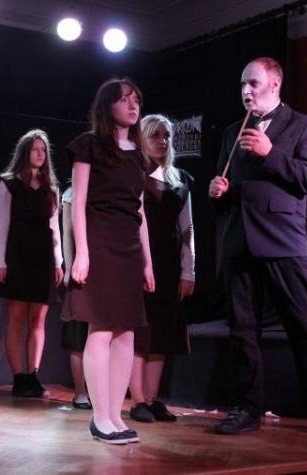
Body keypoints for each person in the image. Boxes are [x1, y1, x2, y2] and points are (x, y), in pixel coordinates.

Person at [208, 57, 307, 434]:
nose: (246, 91)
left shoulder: (303, 126)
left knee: (304, 328)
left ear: (275, 84)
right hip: (239, 243)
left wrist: (271, 153)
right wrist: (218, 192)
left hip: (283, 242)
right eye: (242, 85)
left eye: (253, 83)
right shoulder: (233, 131)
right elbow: (226, 190)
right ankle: (246, 407)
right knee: (242, 332)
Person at [62, 78, 155, 445]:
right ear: (107, 106)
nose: (133, 106)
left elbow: (140, 211)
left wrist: (147, 262)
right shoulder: (88, 145)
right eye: (125, 100)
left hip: (129, 247)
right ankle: (100, 417)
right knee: (100, 329)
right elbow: (78, 204)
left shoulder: (139, 154)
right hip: (99, 242)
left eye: (137, 100)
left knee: (126, 332)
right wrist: (82, 252)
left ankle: (116, 415)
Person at [129, 114, 195, 423]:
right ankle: (137, 400)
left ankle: (152, 399)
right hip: (141, 261)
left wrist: (188, 270)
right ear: (142, 139)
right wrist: (141, 265)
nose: (163, 141)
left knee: (163, 333)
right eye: (155, 135)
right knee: (141, 333)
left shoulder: (180, 178)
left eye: (166, 135)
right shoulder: (135, 175)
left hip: (170, 264)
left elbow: (188, 228)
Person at [0, 129, 63, 398]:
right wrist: (0, 261)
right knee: (16, 317)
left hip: (43, 257)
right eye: (35, 149)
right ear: (25, 151)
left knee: (38, 319)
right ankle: (18, 377)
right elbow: (3, 224)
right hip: (18, 255)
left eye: (43, 150)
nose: (40, 154)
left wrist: (59, 262)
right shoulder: (9, 183)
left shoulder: (51, 188)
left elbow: (55, 228)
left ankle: (33, 375)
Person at [58, 186, 91, 409]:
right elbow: (67, 233)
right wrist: (69, 269)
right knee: (78, 336)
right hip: (81, 272)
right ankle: (80, 392)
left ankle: (100, 393)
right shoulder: (72, 193)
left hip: (107, 269)